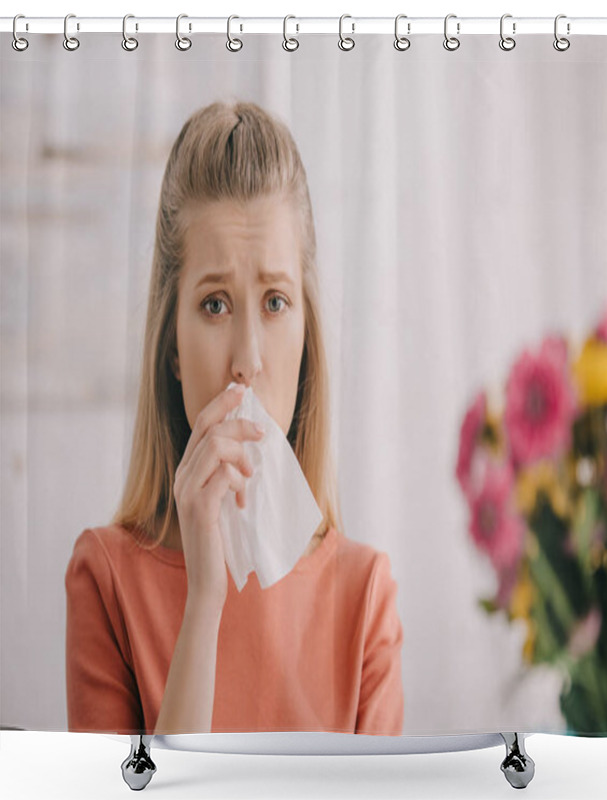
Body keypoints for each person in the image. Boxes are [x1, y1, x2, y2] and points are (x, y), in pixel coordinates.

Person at [64, 101, 403, 736]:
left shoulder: (365, 595)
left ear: (307, 338)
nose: (247, 360)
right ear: (171, 344)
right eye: (215, 304)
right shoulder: (104, 578)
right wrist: (205, 602)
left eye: (276, 302)